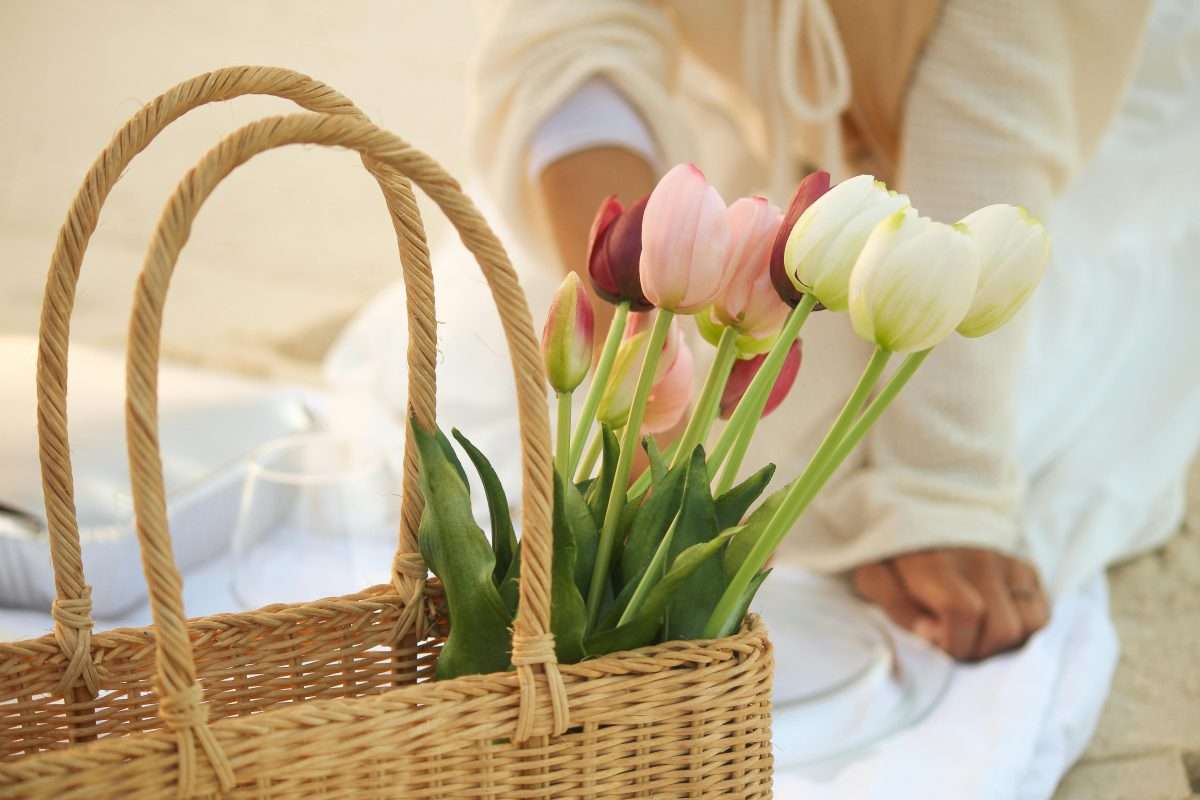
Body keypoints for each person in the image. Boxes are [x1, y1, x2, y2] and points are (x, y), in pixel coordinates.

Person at [327, 0, 1199, 663]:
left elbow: (1001, 95)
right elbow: (572, 34)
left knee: (939, 450)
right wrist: (642, 324)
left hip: (1053, 120)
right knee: (539, 397)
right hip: (783, 142)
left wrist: (943, 487)